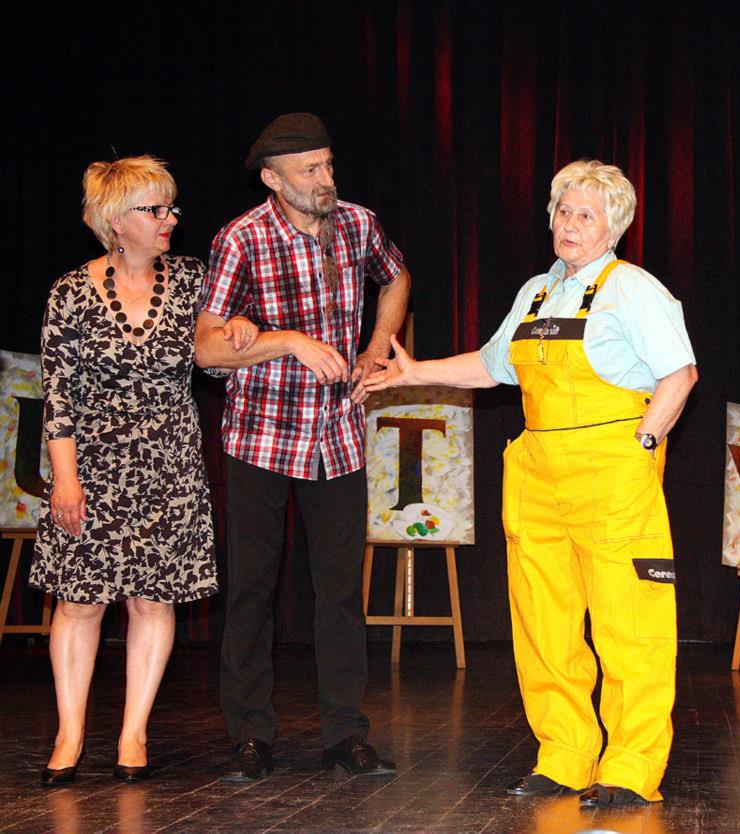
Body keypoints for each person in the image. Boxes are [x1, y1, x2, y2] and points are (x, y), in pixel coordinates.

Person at [367, 160, 697, 808]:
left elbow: (679, 374)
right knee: (544, 627)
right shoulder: (536, 294)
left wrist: (644, 445)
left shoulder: (632, 289)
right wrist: (414, 372)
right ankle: (565, 756)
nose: (571, 224)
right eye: (563, 212)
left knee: (630, 626)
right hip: (539, 476)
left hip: (612, 473)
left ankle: (632, 767)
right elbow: (493, 367)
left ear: (614, 228)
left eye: (587, 215)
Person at [195, 112, 410, 781]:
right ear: (272, 179)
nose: (325, 179)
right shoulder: (241, 239)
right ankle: (250, 735)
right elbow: (206, 348)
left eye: (328, 164)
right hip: (262, 434)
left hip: (336, 435)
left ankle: (346, 735)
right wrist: (287, 340)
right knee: (252, 590)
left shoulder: (357, 223)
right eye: (309, 169)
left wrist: (376, 348)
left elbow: (396, 276)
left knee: (340, 593)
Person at [30, 156, 258, 787]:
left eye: (171, 207)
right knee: (79, 601)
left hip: (169, 462)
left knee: (153, 600)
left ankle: (134, 733)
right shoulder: (70, 292)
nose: (169, 219)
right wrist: (65, 479)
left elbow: (215, 360)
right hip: (92, 463)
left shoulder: (192, 280)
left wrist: (238, 330)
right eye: (154, 209)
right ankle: (70, 733)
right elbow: (59, 396)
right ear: (115, 221)